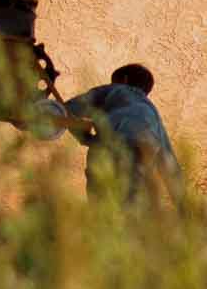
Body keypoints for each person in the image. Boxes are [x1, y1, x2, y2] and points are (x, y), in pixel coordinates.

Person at [59, 64, 184, 206]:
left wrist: (82, 135)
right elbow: (169, 164)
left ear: (124, 80)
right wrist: (182, 206)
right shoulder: (153, 115)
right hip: (141, 155)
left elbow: (70, 110)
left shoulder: (116, 90)